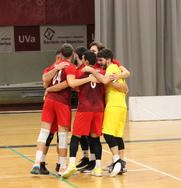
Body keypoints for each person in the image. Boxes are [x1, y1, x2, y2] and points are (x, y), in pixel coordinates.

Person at [31, 43, 77, 175]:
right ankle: (62, 167)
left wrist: (49, 86)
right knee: (62, 136)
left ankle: (37, 163)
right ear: (72, 55)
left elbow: (44, 80)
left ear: (60, 55)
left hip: (49, 101)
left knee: (44, 132)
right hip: (62, 102)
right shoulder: (71, 67)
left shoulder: (53, 66)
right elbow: (68, 83)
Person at [83, 48, 128, 177]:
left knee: (107, 133)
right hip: (121, 105)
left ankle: (117, 160)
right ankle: (121, 164)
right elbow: (125, 88)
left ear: (108, 59)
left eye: (101, 60)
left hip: (113, 105)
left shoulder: (111, 68)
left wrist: (92, 71)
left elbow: (104, 81)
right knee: (117, 135)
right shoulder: (116, 69)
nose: (100, 62)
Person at [62, 50, 105, 178]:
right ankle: (98, 168)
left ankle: (71, 165)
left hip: (85, 108)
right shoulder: (101, 72)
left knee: (76, 137)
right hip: (98, 109)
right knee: (95, 138)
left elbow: (72, 84)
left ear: (86, 60)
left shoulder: (81, 72)